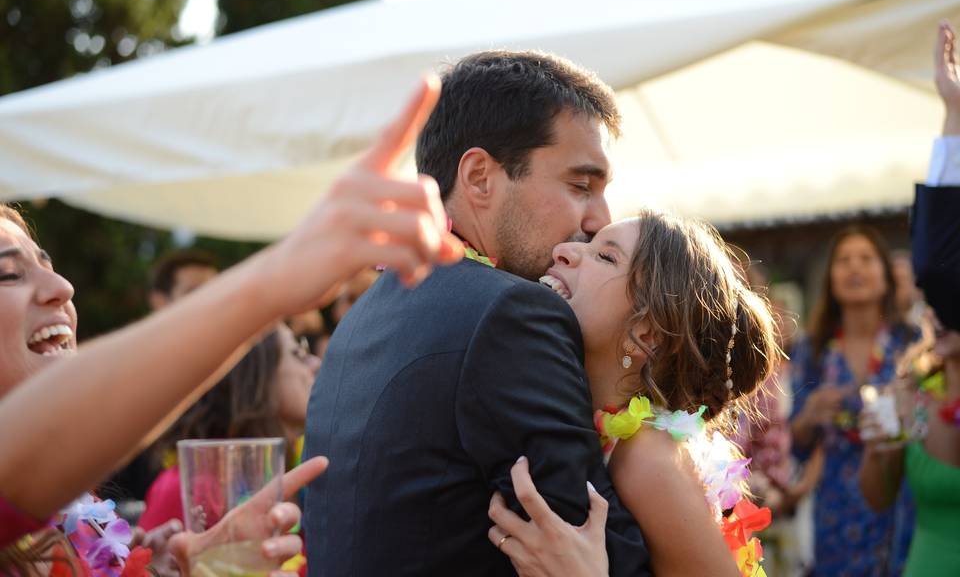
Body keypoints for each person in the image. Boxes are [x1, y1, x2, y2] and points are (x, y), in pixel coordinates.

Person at [0, 77, 463, 571]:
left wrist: (191, 565)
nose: (62, 287)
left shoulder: (71, 518)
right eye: (8, 273)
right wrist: (280, 273)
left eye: (47, 263)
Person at [303, 51, 652, 576]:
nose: (600, 218)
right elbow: (609, 553)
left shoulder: (361, 318)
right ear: (481, 177)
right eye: (581, 185)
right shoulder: (510, 313)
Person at [484, 212, 778, 576]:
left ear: (647, 333)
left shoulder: (645, 454)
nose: (563, 251)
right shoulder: (612, 430)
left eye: (605, 256)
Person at [858, 20, 960, 577]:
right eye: (933, 307)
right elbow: (877, 497)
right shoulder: (912, 386)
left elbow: (940, 264)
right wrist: (881, 446)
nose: (935, 311)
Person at [787, 222, 920, 576]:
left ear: (886, 275)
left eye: (866, 258)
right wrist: (810, 415)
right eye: (844, 260)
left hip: (902, 501)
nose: (855, 268)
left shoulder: (913, 343)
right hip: (836, 512)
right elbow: (796, 446)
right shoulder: (811, 350)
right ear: (830, 277)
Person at [138, 325, 321, 530]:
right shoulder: (188, 488)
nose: (316, 363)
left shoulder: (309, 474)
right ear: (254, 377)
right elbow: (148, 562)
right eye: (298, 353)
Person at [108, 249, 221, 505]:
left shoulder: (227, 371)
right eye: (194, 292)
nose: (210, 301)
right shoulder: (128, 374)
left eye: (215, 291)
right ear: (159, 301)